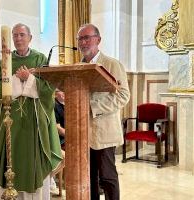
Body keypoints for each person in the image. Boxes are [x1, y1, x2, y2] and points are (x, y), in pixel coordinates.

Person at [0, 23, 62, 200]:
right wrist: (17, 80)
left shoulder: (40, 59)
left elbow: (48, 89)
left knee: (32, 160)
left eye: (22, 35)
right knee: (11, 158)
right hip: (11, 123)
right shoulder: (5, 62)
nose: (18, 38)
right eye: (15, 35)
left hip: (33, 122)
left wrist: (28, 79)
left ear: (30, 38)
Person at [76, 24, 130, 200]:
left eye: (87, 38)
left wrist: (93, 107)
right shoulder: (78, 66)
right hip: (84, 132)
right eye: (80, 39)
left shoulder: (112, 64)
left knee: (107, 177)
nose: (83, 42)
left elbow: (123, 95)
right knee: (89, 177)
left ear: (98, 40)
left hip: (105, 131)